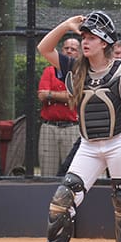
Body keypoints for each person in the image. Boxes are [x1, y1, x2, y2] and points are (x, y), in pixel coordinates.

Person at [33, 11, 121, 242]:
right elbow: (44, 47)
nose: (85, 42)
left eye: (91, 37)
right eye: (83, 36)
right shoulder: (75, 68)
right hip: (89, 144)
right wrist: (66, 25)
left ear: (105, 42)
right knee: (63, 198)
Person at [37, 35, 81, 177]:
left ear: (79, 53)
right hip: (49, 128)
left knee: (72, 173)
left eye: (73, 49)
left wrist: (52, 94)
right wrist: (65, 96)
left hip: (72, 128)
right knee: (47, 173)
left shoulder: (81, 73)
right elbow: (42, 95)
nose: (69, 51)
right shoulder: (49, 71)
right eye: (66, 48)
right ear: (61, 50)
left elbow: (76, 97)